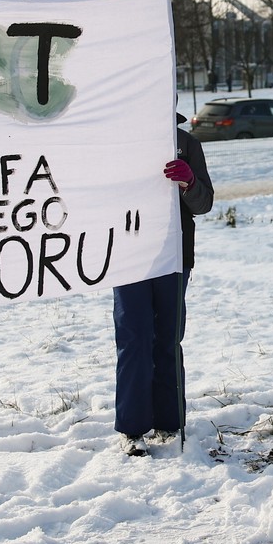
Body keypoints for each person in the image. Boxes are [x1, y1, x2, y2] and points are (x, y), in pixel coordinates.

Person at [113, 114, 214, 452]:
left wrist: (189, 183)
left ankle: (170, 422)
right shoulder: (115, 138)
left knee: (168, 338)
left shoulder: (187, 143)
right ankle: (133, 429)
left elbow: (204, 203)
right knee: (134, 337)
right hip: (128, 255)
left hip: (173, 255)